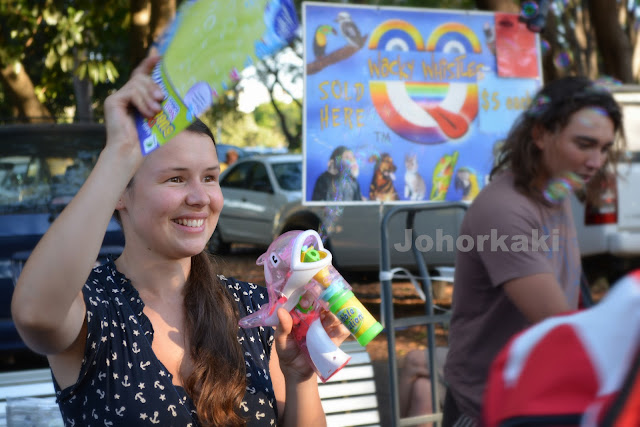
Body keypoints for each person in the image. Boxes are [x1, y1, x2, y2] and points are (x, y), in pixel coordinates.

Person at [11, 54, 348, 427]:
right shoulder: (95, 310)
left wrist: (301, 378)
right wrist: (119, 154)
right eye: (175, 179)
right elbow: (32, 313)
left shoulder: (253, 310)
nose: (200, 197)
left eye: (209, 177)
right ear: (120, 193)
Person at [398, 76, 626, 427]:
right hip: (489, 407)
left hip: (533, 393)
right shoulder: (505, 210)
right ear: (539, 135)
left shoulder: (556, 191)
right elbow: (558, 326)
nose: (596, 161)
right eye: (584, 144)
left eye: (605, 148)